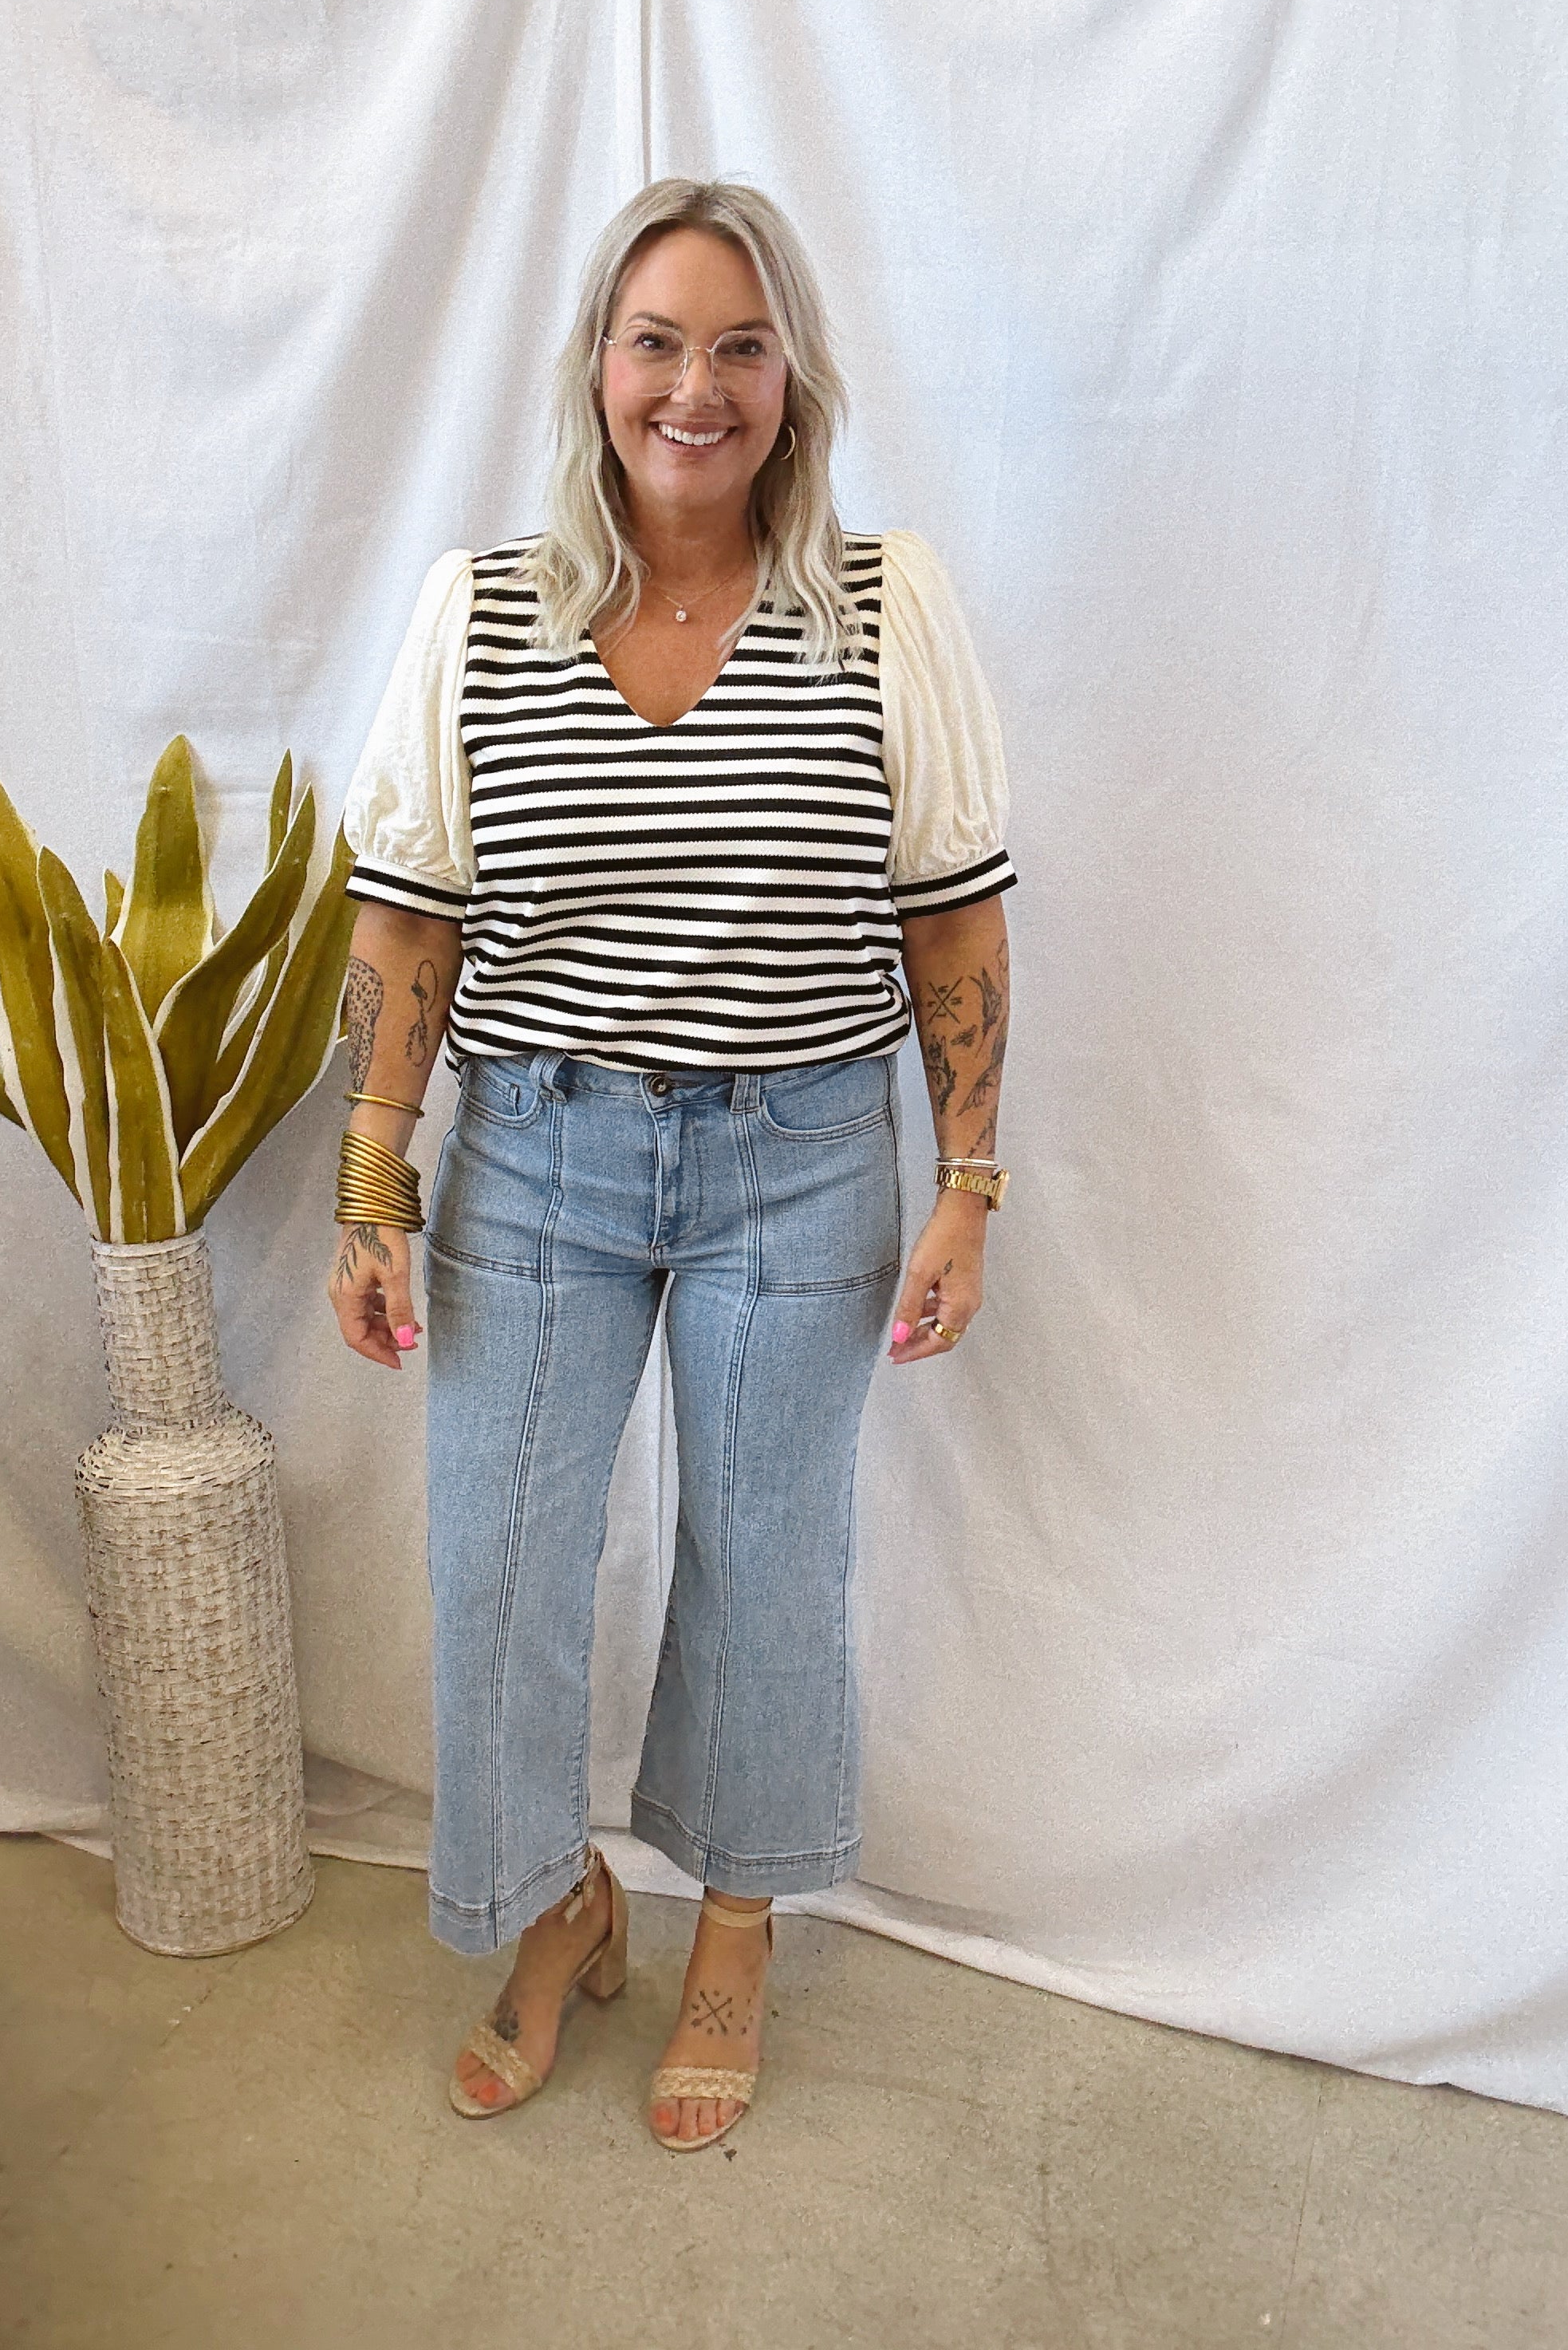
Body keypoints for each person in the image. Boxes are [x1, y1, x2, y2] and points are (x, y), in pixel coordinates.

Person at [329, 178, 1013, 2154]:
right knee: (500, 1563)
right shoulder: (485, 606)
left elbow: (952, 929)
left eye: (737, 344)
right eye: (656, 342)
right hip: (535, 1155)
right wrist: (374, 1187)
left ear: (792, 378)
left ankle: (731, 1925)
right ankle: (556, 1902)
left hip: (800, 1161)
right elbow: (405, 929)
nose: (693, 386)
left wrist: (972, 1180)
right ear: (597, 371)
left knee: (766, 1569)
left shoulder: (884, 608)